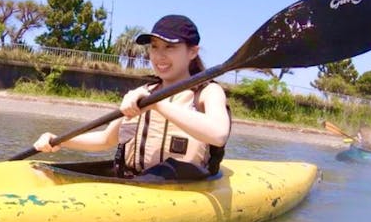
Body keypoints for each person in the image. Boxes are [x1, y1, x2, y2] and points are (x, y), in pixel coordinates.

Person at [33, 15, 231, 180]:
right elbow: (105, 139)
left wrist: (157, 104)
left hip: (183, 183)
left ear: (192, 52)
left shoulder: (207, 92)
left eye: (169, 47)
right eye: (154, 47)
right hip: (135, 181)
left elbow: (218, 134)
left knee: (166, 170)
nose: (159, 56)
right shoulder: (142, 92)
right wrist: (60, 140)